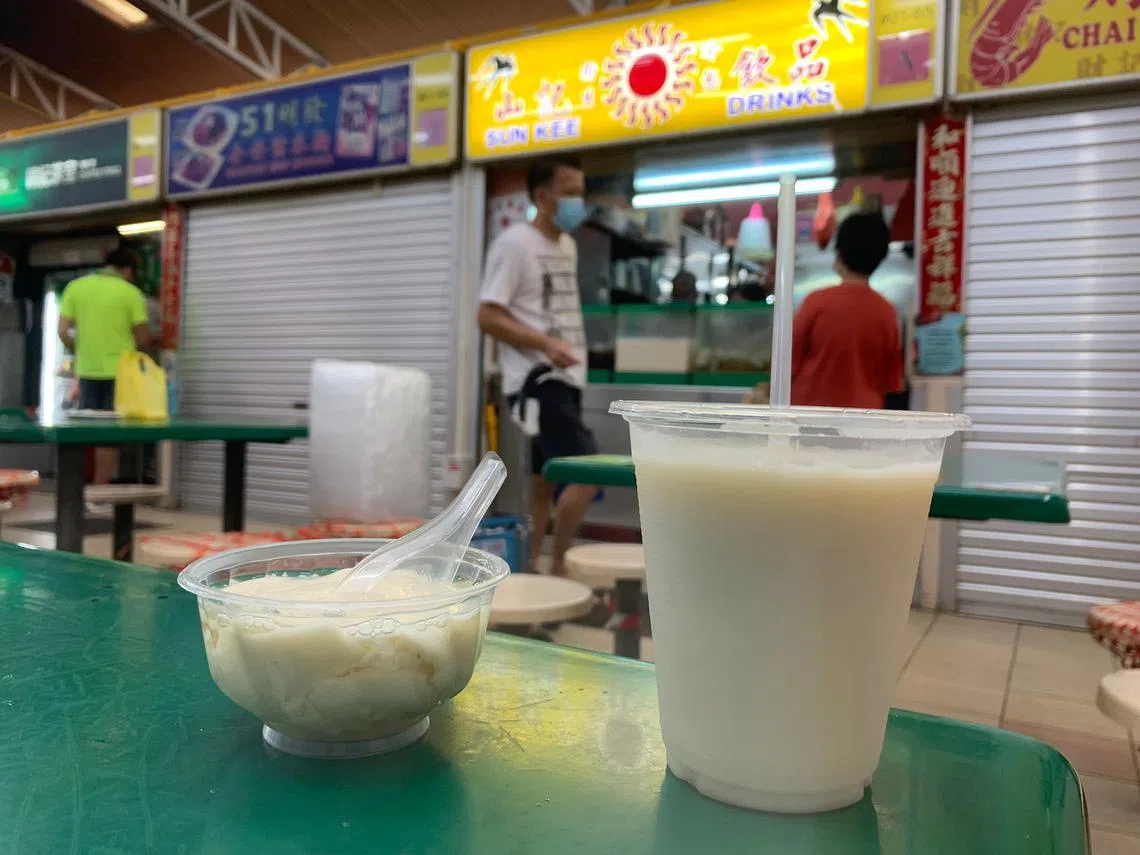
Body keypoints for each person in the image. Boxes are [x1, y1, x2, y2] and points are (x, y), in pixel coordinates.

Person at [477, 155, 597, 577]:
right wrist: (547, 345)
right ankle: (561, 569)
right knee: (587, 473)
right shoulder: (514, 245)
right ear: (542, 197)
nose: (578, 202)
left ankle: (531, 571)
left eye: (581, 193)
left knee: (545, 482)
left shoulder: (568, 245)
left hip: (568, 377)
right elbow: (487, 316)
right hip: (537, 380)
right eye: (569, 193)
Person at [58, 247, 151, 493]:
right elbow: (143, 337)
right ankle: (99, 491)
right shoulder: (131, 293)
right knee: (109, 437)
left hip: (87, 371)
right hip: (121, 373)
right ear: (128, 270)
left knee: (86, 431)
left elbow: (62, 331)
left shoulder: (76, 288)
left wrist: (82, 348)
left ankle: (75, 489)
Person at [790, 212, 902, 408]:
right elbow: (892, 382)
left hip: (810, 417)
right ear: (880, 257)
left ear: (839, 251)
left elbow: (788, 364)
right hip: (864, 420)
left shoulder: (816, 302)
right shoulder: (887, 312)